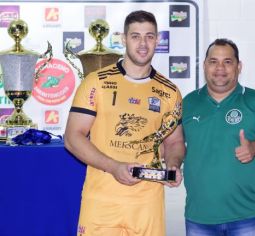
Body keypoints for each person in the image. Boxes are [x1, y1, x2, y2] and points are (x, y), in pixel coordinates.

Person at [64, 10, 185, 236]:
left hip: (147, 204)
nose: (143, 43)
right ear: (123, 39)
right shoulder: (96, 82)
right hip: (102, 201)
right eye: (135, 36)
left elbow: (176, 142)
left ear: (157, 40)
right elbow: (72, 138)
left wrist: (173, 164)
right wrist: (114, 167)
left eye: (149, 36)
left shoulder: (169, 92)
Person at [182, 38, 255, 236]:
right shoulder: (188, 103)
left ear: (238, 66)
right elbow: (174, 145)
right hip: (199, 217)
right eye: (213, 61)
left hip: (247, 216)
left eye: (227, 61)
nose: (220, 68)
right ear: (204, 65)